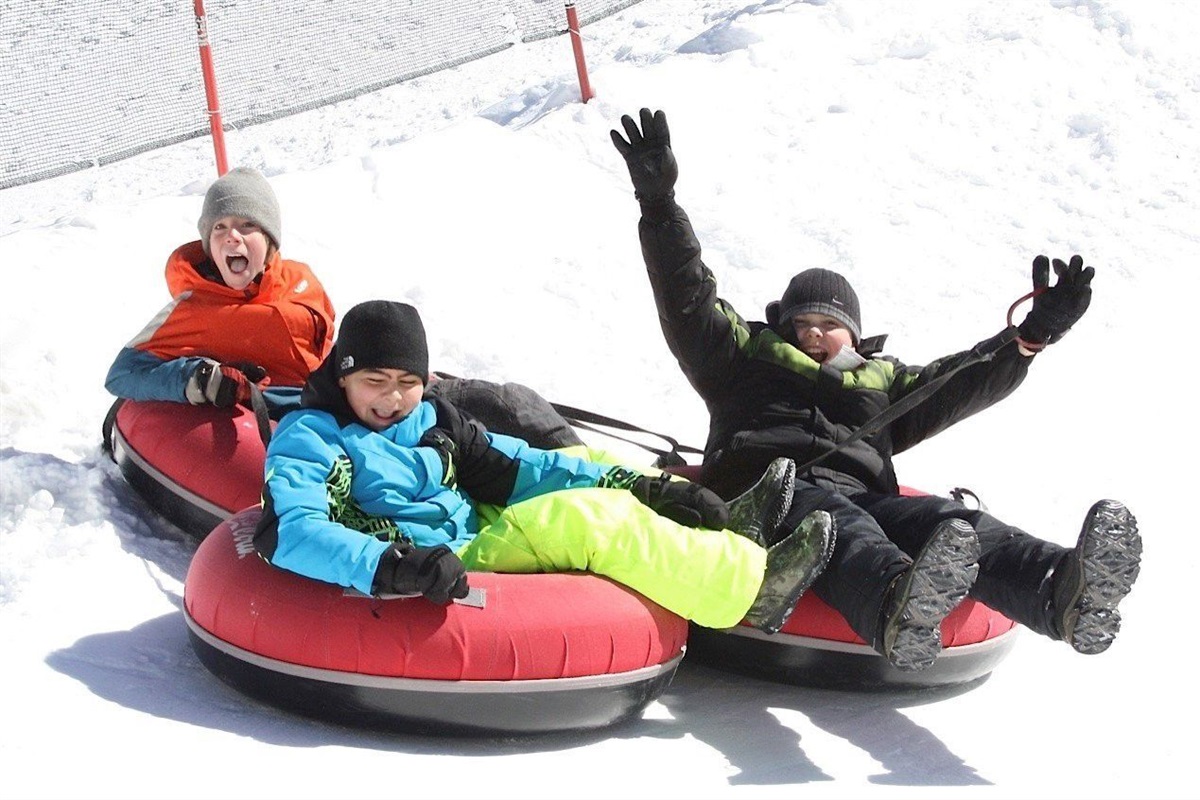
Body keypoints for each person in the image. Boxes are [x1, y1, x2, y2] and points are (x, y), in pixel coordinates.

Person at [610, 108, 1142, 671]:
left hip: (863, 495)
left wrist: (1029, 337)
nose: (813, 332)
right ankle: (895, 605)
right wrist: (661, 205)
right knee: (838, 519)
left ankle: (1063, 590)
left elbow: (957, 383)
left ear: (856, 334)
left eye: (828, 323)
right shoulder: (741, 355)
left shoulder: (884, 382)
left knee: (949, 523)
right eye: (801, 322)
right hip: (765, 497)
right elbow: (686, 295)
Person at [252, 299, 837, 635]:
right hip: (441, 557)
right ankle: (754, 589)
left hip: (470, 524)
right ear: (343, 376)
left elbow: (524, 465)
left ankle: (724, 530)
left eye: (406, 382)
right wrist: (391, 564)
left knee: (586, 462)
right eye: (374, 382)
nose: (392, 398)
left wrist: (646, 486)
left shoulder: (435, 419)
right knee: (582, 521)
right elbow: (289, 529)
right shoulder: (316, 436)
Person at [105, 167, 335, 419]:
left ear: (268, 238)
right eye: (219, 227)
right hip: (273, 422)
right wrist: (202, 378)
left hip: (330, 403)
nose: (232, 236)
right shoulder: (193, 309)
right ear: (210, 247)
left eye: (247, 224)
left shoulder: (301, 279)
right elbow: (123, 374)